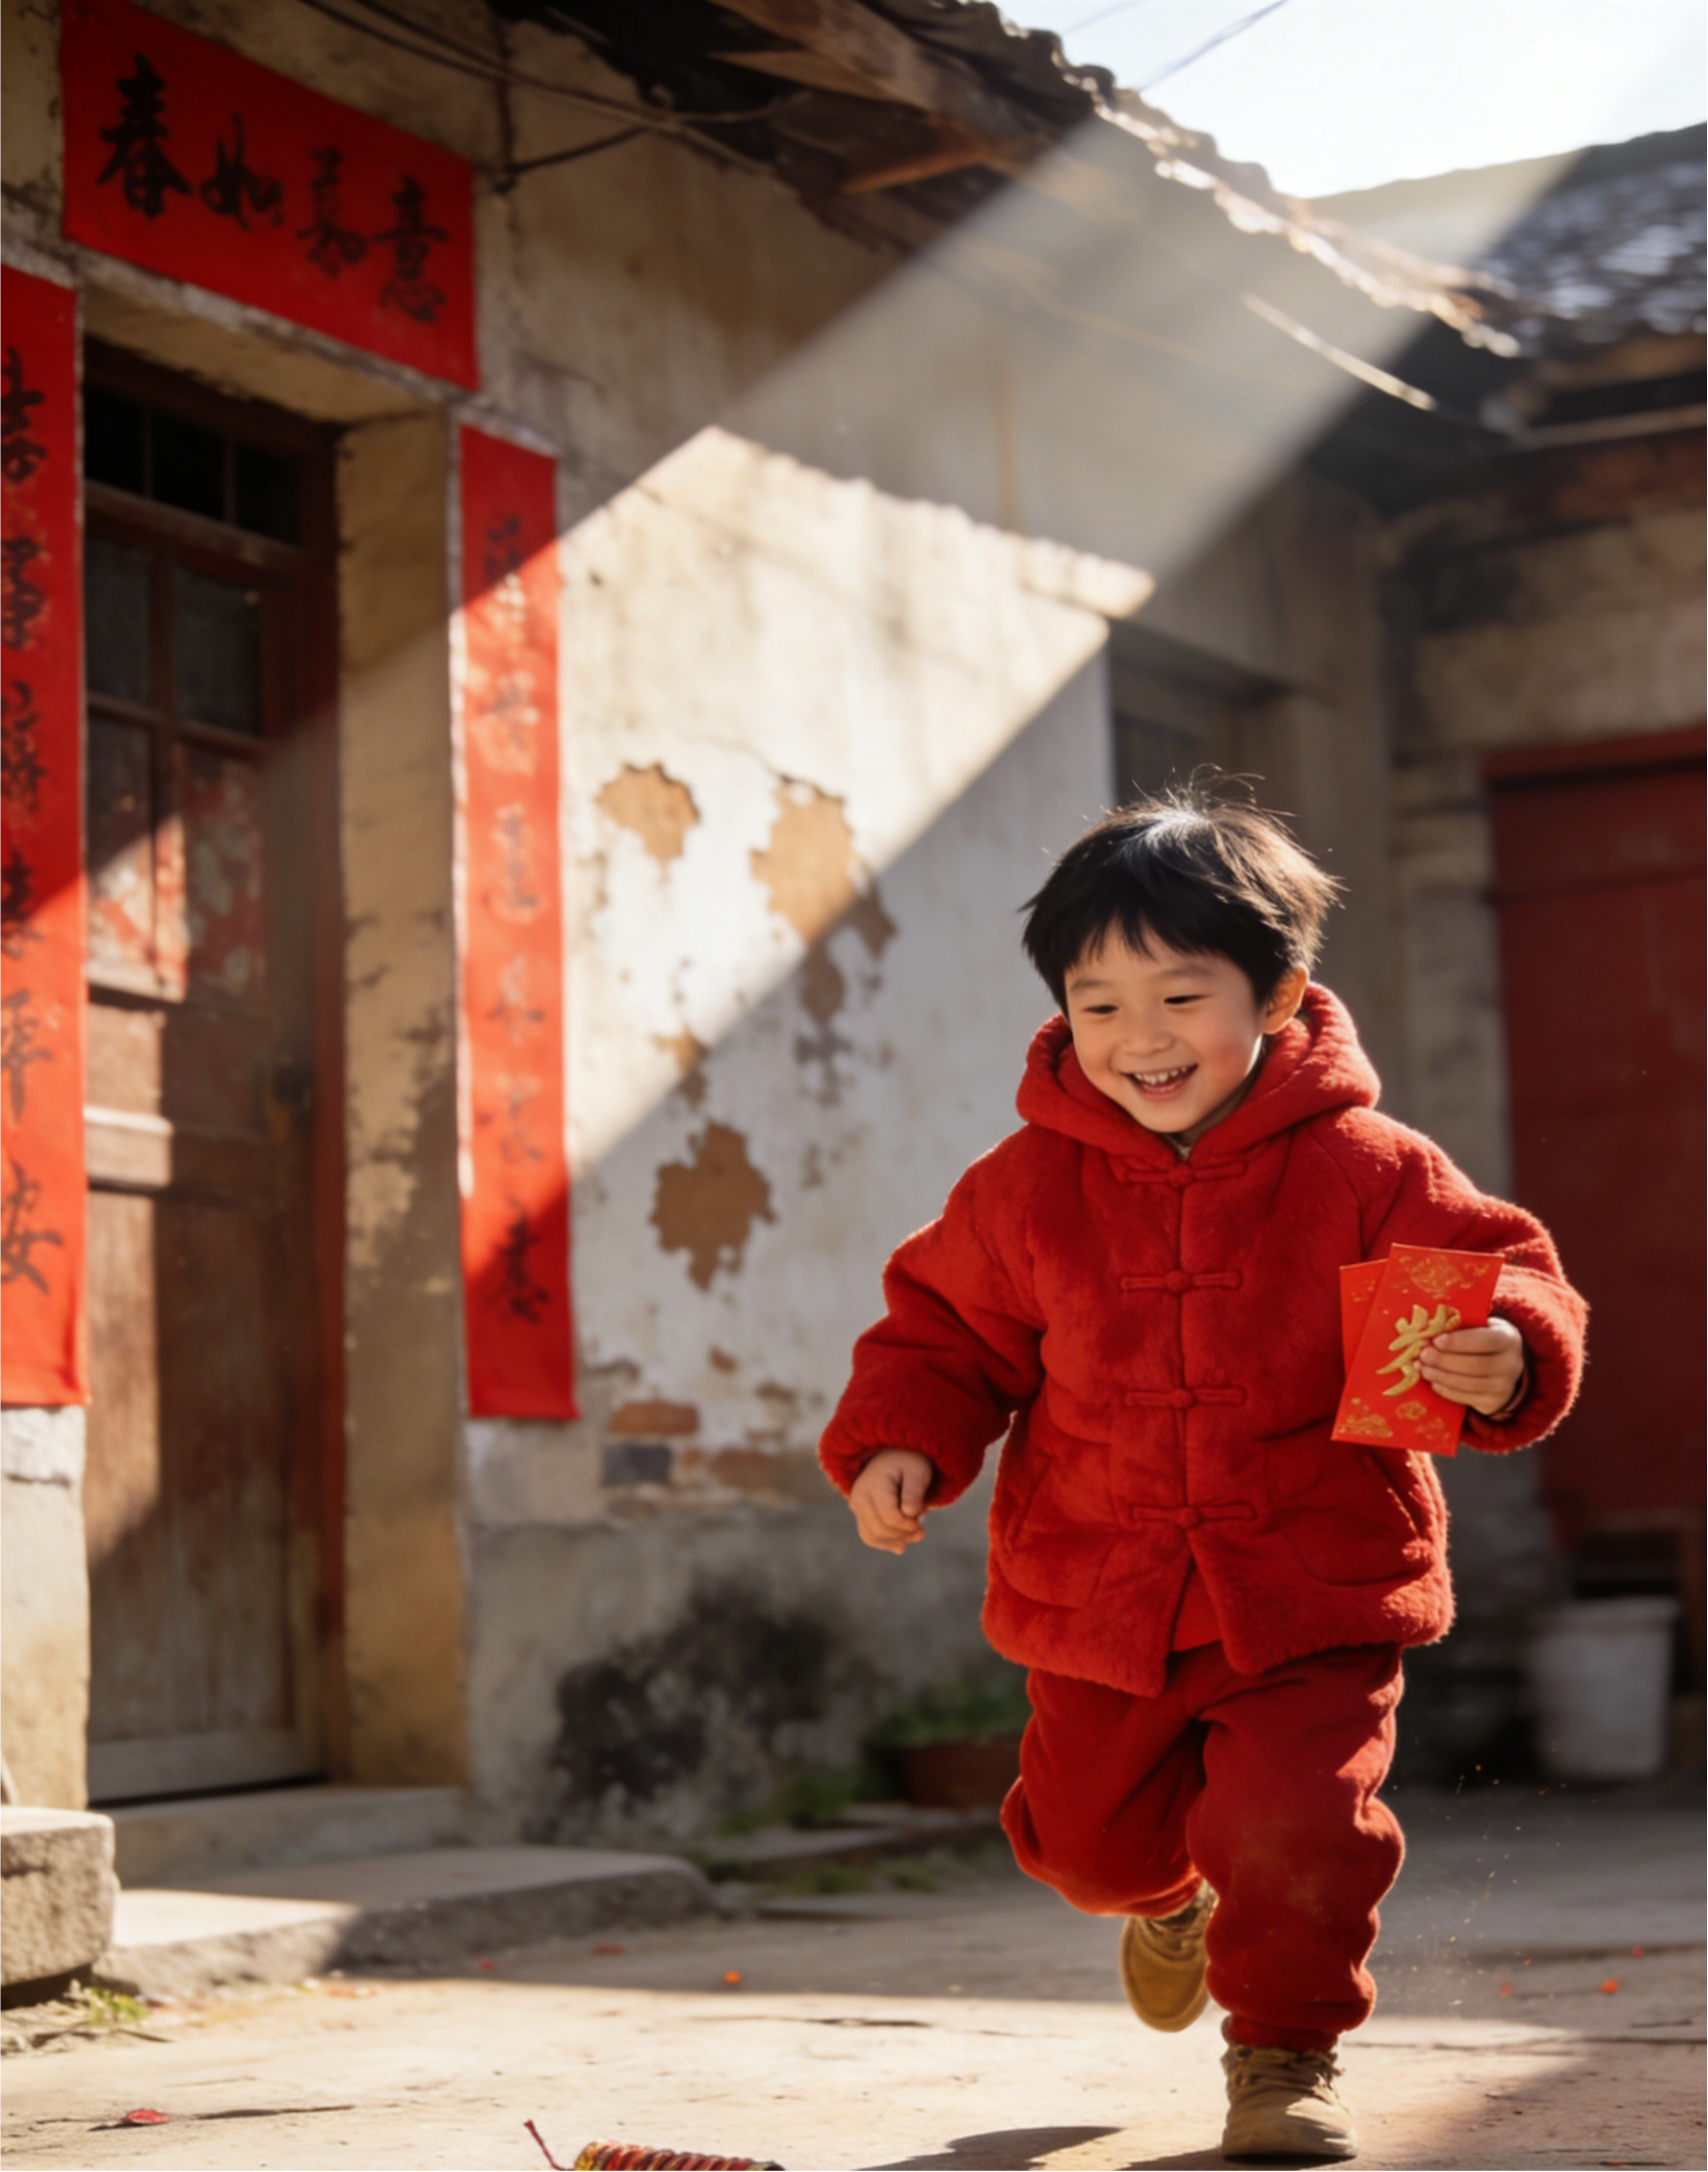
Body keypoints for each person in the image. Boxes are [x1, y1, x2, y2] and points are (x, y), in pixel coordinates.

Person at [818, 786, 1587, 2163]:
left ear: (1282, 993)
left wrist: (1507, 1351)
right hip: (1100, 1591)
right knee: (1083, 1851)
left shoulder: (1367, 1165)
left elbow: (1510, 1274)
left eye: (1182, 995)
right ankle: (1168, 1898)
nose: (1140, 1038)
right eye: (1097, 1003)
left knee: (1297, 1824)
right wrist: (901, 1440)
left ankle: (1284, 2053)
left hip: (1312, 1581)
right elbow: (942, 1328)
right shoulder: (1024, 1185)